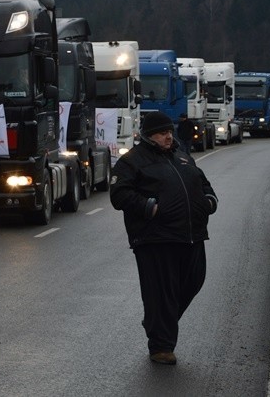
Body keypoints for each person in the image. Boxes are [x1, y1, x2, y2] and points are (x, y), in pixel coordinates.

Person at [109, 111, 218, 365]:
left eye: (170, 131)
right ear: (149, 135)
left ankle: (158, 322)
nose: (169, 136)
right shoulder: (133, 161)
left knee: (195, 280)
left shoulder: (181, 156)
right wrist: (150, 207)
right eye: (162, 133)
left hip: (191, 235)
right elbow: (120, 194)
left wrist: (209, 201)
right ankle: (161, 346)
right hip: (155, 238)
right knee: (161, 292)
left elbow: (203, 184)